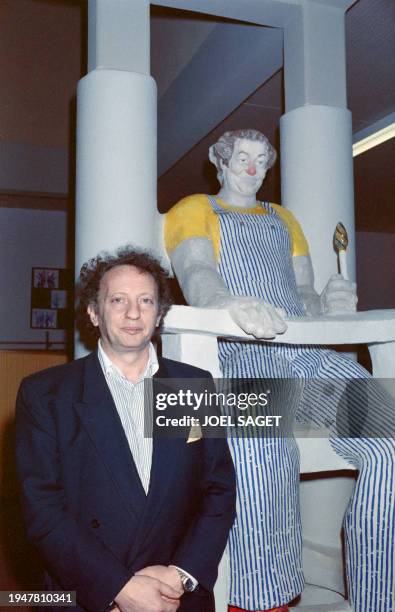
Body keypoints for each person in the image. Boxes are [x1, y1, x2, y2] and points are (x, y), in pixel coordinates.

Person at [164, 129, 395, 612]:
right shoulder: (194, 209)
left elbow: (304, 296)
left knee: (389, 436)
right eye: (242, 158)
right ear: (221, 162)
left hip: (304, 358)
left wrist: (332, 306)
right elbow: (199, 276)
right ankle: (263, 601)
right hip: (241, 357)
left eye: (261, 161)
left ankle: (379, 596)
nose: (252, 169)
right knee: (263, 457)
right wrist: (229, 304)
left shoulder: (283, 218)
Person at [16, 245, 236, 612]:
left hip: (175, 598)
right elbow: (43, 510)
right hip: (86, 596)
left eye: (146, 300)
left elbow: (219, 490)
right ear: (93, 312)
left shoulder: (193, 386)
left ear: (159, 313)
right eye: (118, 300)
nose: (133, 313)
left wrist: (180, 576)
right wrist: (119, 588)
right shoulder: (46, 394)